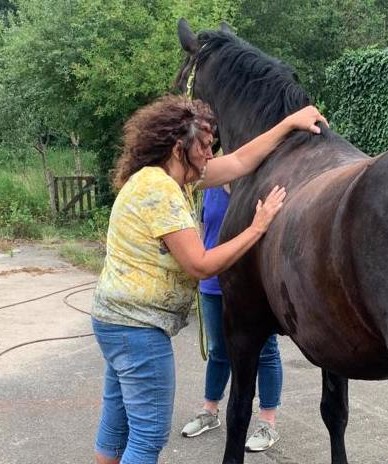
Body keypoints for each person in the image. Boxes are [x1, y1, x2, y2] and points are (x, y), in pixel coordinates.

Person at [90, 94, 327, 464]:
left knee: (117, 424)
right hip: (138, 329)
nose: (210, 155)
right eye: (202, 146)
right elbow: (199, 265)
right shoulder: (161, 191)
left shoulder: (167, 178)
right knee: (147, 435)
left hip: (114, 321)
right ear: (177, 147)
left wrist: (287, 123)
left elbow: (239, 161)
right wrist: (257, 228)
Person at [181, 184, 283, 452]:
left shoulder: (259, 183)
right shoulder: (210, 186)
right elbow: (205, 231)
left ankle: (267, 422)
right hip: (213, 283)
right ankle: (210, 410)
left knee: (265, 351)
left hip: (250, 285)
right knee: (218, 349)